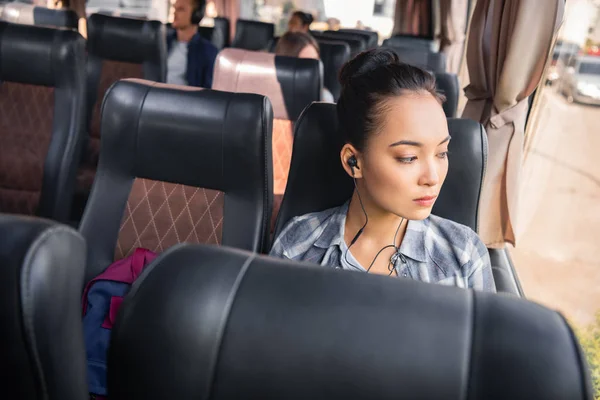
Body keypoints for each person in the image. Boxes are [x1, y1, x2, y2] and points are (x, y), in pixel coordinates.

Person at [270, 49, 495, 292]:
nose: (433, 177)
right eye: (408, 158)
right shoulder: (298, 246)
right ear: (353, 162)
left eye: (442, 153)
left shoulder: (464, 255)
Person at [167, 0, 218, 88]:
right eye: (174, 8)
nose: (174, 13)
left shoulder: (208, 52)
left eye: (180, 9)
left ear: (196, 15)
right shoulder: (163, 43)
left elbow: (208, 92)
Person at [274, 31, 335, 103]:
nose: (311, 70)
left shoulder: (324, 98)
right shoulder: (267, 96)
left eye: (315, 62)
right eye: (306, 64)